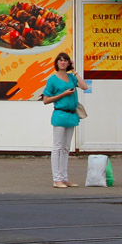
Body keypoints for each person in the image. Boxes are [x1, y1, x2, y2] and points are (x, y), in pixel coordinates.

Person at [42, 52, 87, 188]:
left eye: (65, 61)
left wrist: (74, 70)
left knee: (66, 148)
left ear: (69, 63)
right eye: (60, 60)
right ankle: (57, 179)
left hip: (71, 115)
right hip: (60, 114)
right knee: (58, 147)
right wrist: (63, 94)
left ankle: (64, 177)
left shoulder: (71, 77)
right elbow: (46, 100)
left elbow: (85, 86)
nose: (62, 62)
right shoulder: (53, 79)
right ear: (56, 63)